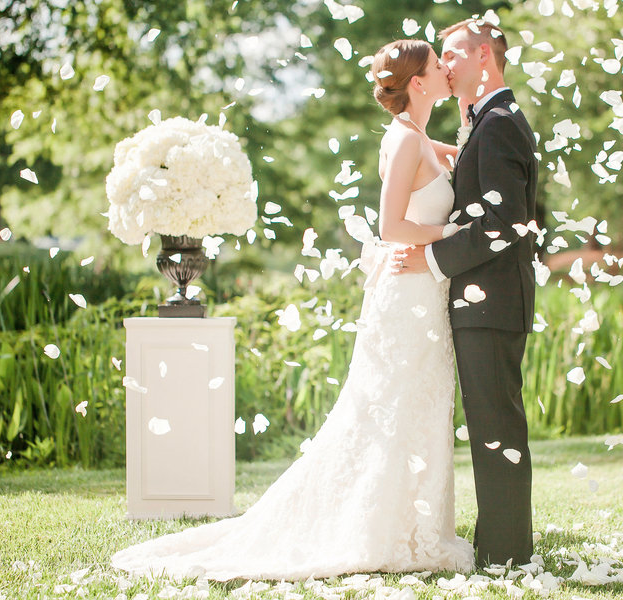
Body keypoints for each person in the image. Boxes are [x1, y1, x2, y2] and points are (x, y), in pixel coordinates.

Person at [110, 39, 474, 581]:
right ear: (418, 84)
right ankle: (385, 530)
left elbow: (462, 152)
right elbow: (392, 228)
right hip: (406, 299)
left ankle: (413, 525)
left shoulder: (419, 137)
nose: (447, 70)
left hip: (421, 294)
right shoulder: (403, 142)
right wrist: (453, 233)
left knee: (416, 407)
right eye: (437, 65)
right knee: (391, 408)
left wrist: (473, 124)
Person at [394, 18, 539, 568]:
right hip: (487, 300)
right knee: (491, 427)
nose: (445, 66)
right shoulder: (489, 120)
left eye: (452, 55)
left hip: (493, 302)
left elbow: (503, 222)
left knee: (496, 427)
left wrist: (430, 258)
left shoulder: (499, 122)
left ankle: (505, 553)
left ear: (485, 56)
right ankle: (503, 545)